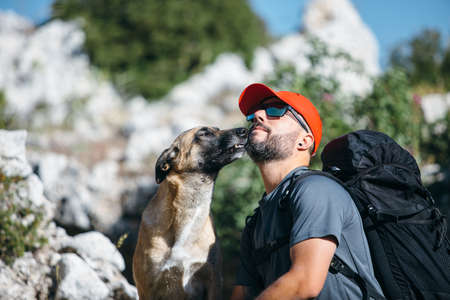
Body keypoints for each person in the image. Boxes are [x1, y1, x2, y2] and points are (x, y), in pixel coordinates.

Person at [230, 83, 385, 300]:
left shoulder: (316, 190)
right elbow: (243, 294)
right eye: (253, 114)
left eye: (275, 110)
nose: (257, 115)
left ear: (304, 141)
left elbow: (305, 282)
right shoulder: (256, 223)